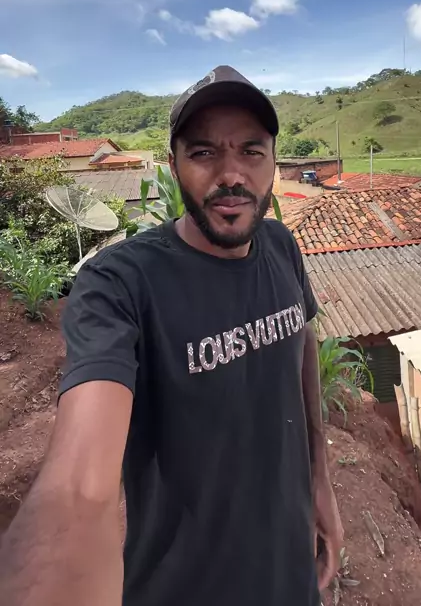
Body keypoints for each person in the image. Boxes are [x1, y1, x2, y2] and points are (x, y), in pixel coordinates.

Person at [0, 65, 343, 606]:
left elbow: (300, 344)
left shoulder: (282, 247)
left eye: (251, 151)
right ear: (172, 164)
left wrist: (320, 478)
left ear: (274, 161)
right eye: (204, 152)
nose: (231, 174)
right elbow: (79, 488)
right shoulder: (120, 285)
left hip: (292, 574)